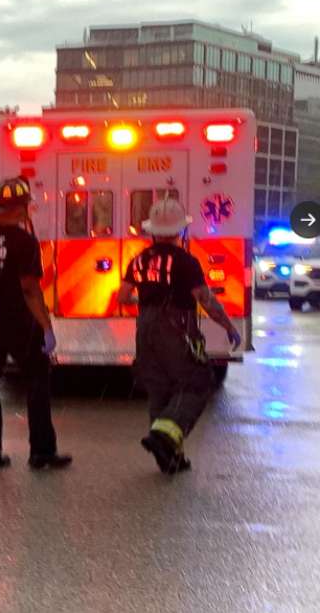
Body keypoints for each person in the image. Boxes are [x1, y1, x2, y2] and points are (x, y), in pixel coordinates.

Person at [119, 198, 241, 475]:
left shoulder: (138, 260)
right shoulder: (186, 262)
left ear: (152, 231)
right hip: (176, 328)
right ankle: (164, 439)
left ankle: (169, 458)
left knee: (159, 389)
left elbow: (124, 297)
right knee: (197, 382)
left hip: (145, 329)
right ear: (180, 231)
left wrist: (148, 299)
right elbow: (205, 300)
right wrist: (228, 326)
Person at [0, 178, 72, 471]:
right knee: (37, 380)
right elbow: (29, 289)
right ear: (18, 210)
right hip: (18, 321)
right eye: (25, 206)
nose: (27, 211)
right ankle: (42, 452)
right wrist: (46, 326)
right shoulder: (24, 242)